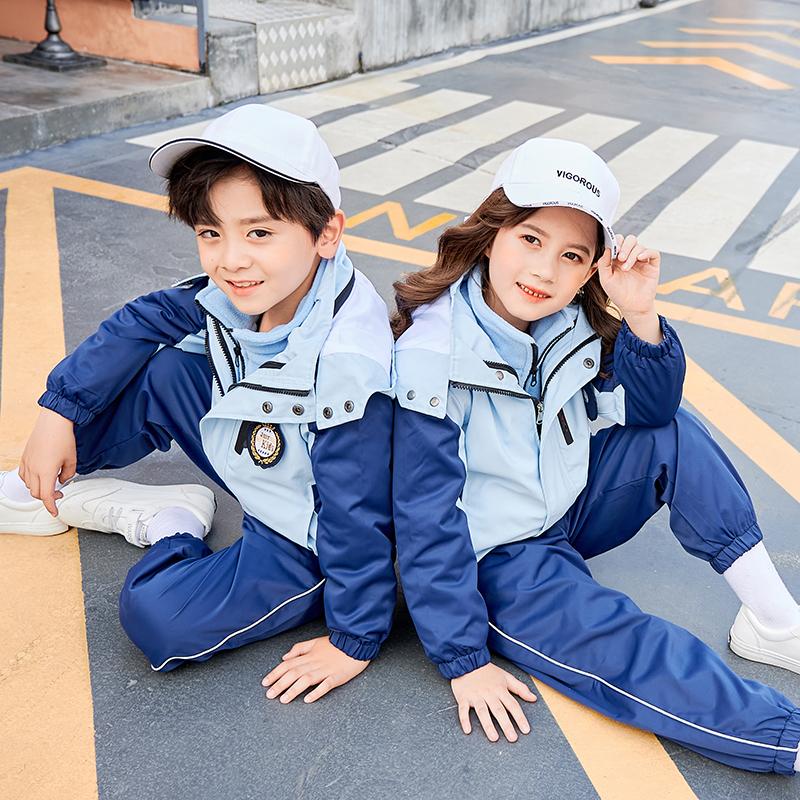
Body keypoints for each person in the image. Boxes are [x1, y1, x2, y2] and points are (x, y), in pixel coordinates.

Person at [390, 137, 800, 774]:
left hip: (562, 508)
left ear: (589, 271)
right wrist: (463, 660)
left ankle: (774, 622)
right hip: (495, 556)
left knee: (674, 433)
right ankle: (784, 738)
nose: (545, 271)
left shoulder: (566, 324)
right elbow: (424, 521)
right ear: (491, 234)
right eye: (531, 239)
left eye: (571, 255)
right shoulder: (431, 355)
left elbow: (651, 413)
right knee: (623, 645)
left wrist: (640, 314)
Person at [0, 105, 396, 704]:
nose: (230, 259)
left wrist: (355, 639)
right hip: (267, 460)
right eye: (211, 233)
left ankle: (172, 524)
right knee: (164, 370)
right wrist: (58, 411)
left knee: (159, 620)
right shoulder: (257, 284)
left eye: (258, 233)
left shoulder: (349, 366)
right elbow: (146, 317)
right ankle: (42, 481)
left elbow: (356, 512)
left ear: (326, 233)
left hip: (307, 531)